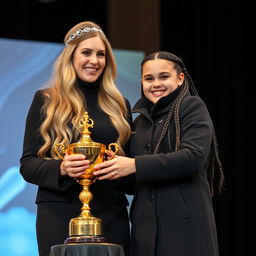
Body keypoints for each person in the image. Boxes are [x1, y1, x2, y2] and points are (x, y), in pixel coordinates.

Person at [93, 51, 225, 256]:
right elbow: (131, 182)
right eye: (149, 78)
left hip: (185, 226)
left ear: (180, 79)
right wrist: (110, 168)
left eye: (164, 77)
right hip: (145, 229)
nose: (156, 84)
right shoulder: (139, 123)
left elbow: (193, 158)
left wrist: (134, 164)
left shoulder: (191, 107)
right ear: (142, 82)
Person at [19, 21, 133, 256]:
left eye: (101, 54)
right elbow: (28, 165)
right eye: (86, 52)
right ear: (71, 56)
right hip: (59, 214)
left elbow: (132, 174)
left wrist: (117, 167)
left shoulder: (120, 106)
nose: (94, 61)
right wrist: (61, 168)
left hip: (111, 213)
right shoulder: (46, 101)